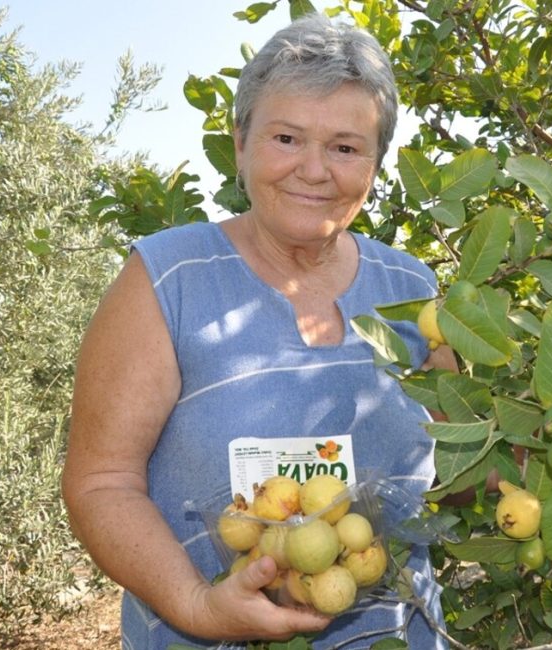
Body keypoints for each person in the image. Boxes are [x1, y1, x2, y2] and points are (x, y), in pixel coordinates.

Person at [61, 13, 458, 650]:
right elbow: (101, 483)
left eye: (346, 147)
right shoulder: (168, 280)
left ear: (375, 165)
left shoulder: (412, 291)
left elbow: (461, 465)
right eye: (286, 138)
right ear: (241, 144)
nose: (314, 169)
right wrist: (198, 606)